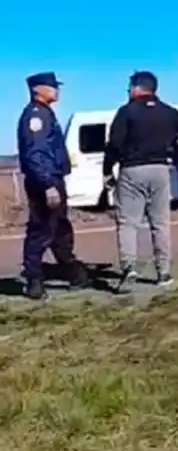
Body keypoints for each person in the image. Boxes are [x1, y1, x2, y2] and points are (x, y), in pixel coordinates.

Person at [103, 70, 178, 294]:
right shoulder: (169, 112)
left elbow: (114, 144)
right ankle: (163, 272)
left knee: (128, 222)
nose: (127, 91)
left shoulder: (126, 112)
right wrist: (176, 153)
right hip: (160, 168)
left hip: (132, 169)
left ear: (138, 88)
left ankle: (129, 269)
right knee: (160, 223)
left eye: (129, 86)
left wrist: (108, 170)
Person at [16, 72, 90, 299]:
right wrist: (48, 184)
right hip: (44, 181)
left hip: (52, 177)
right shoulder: (36, 117)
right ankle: (34, 280)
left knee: (59, 229)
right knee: (41, 231)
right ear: (39, 89)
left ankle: (74, 272)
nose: (57, 91)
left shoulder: (46, 114)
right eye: (52, 87)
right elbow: (35, 154)